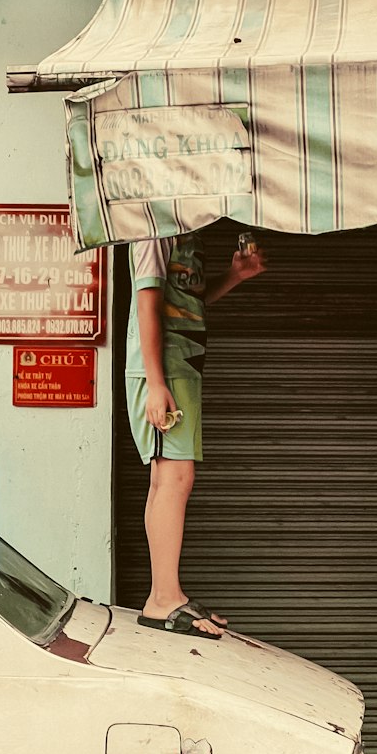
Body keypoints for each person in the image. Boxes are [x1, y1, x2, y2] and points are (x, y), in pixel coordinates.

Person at [126, 229, 266, 640]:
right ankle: (163, 598)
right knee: (175, 477)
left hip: (182, 365)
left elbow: (186, 304)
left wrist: (236, 275)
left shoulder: (190, 233)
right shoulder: (154, 228)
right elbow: (146, 301)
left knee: (168, 479)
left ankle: (165, 593)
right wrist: (155, 382)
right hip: (164, 368)